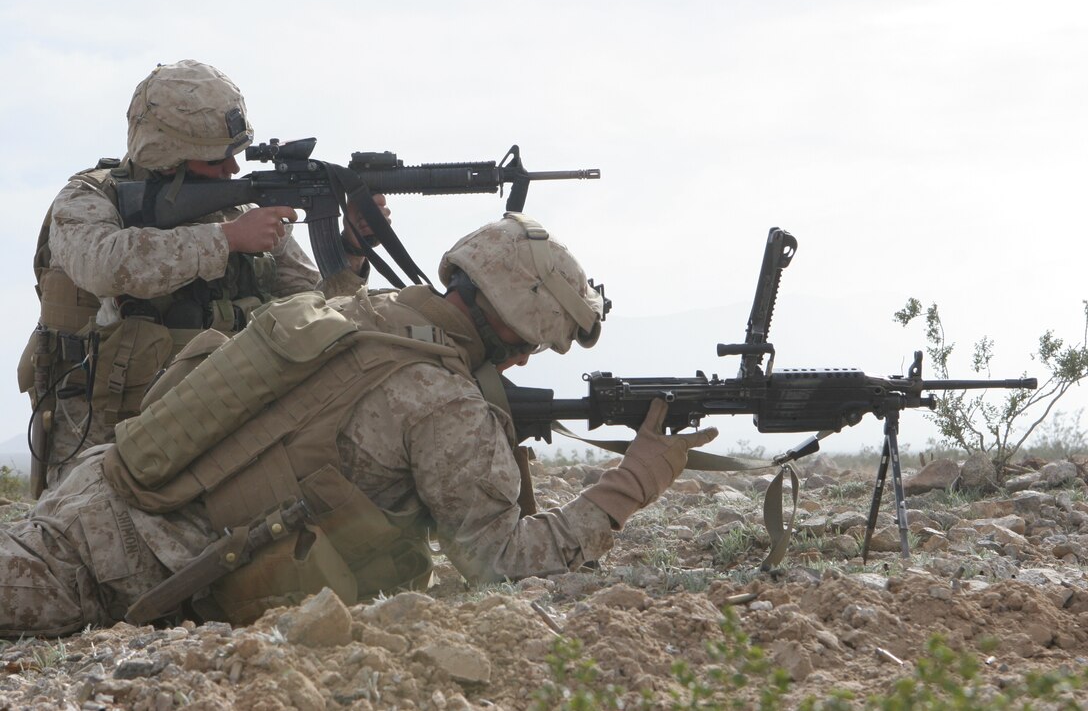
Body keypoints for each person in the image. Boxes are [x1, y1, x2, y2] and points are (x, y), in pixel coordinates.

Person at [0, 213, 717, 637]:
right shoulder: (445, 402)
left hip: (92, 489)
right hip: (119, 562)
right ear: (519, 318)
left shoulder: (367, 314)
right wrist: (632, 482)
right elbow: (503, 562)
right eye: (539, 339)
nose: (533, 354)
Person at [17, 60, 381, 496]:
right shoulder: (91, 197)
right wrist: (225, 240)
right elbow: (103, 265)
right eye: (217, 158)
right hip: (106, 427)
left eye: (234, 154)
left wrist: (353, 251)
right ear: (167, 155)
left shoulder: (246, 213)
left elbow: (313, 312)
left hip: (220, 422)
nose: (232, 169)